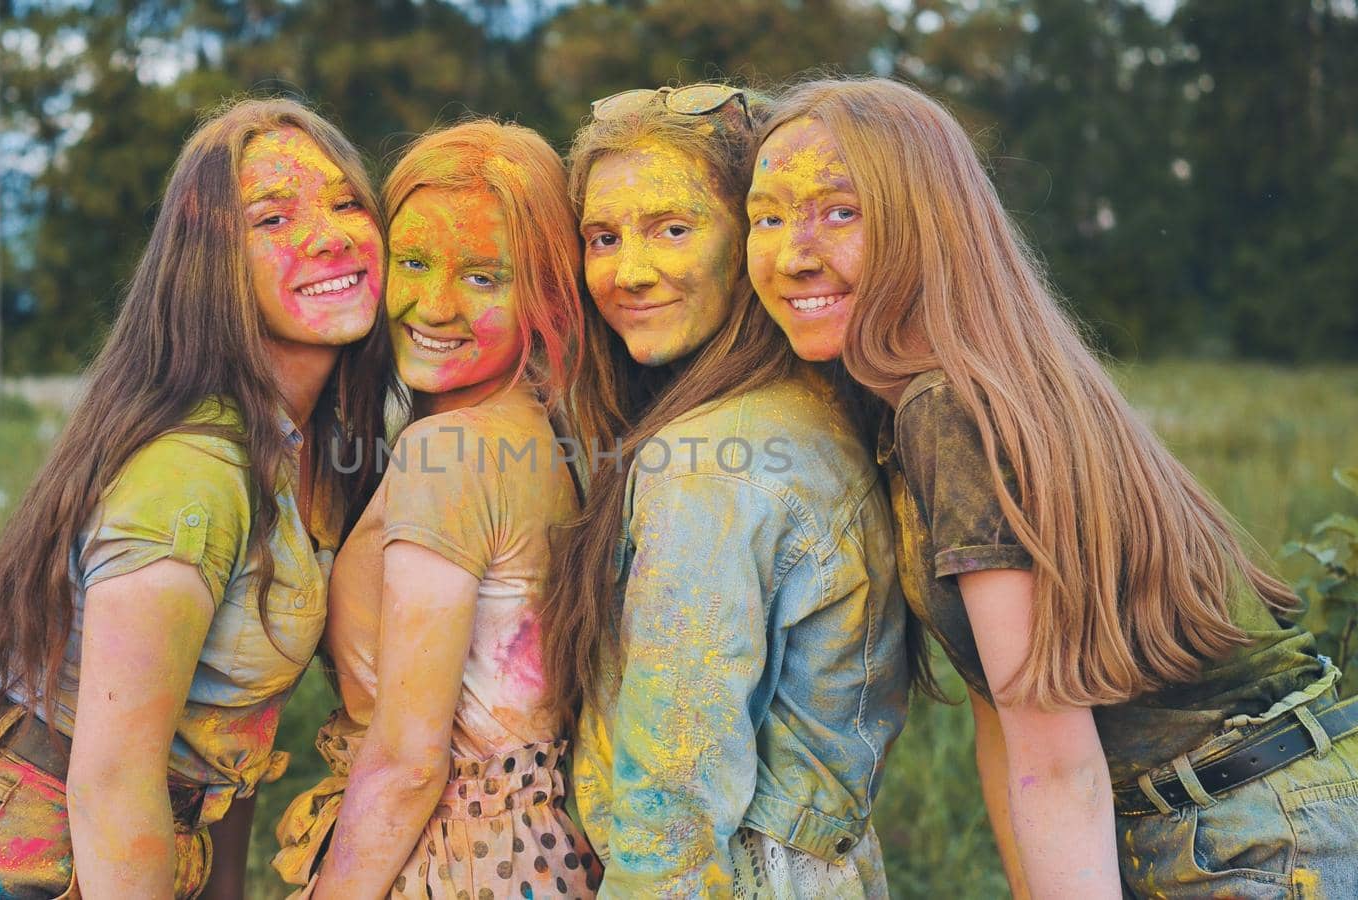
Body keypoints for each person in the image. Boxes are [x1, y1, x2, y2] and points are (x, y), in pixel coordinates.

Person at [746, 75, 1358, 898]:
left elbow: (1055, 756)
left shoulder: (949, 408)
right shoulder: (947, 392)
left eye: (841, 211)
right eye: (767, 216)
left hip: (1252, 832)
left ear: (927, 223)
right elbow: (1001, 719)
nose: (793, 253)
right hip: (1244, 810)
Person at [0, 96, 391, 899]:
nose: (328, 234)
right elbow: (113, 780)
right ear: (209, 266)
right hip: (17, 856)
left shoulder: (309, 453)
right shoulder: (193, 472)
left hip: (133, 845)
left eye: (346, 202)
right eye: (273, 219)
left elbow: (229, 750)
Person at [541, 83, 909, 898]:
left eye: (673, 229)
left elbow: (672, 813)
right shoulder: (822, 406)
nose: (628, 272)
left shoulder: (709, 464)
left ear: (747, 237)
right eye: (602, 237)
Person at [272, 119, 603, 899]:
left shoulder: (447, 451)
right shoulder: (546, 430)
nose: (436, 304)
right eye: (414, 262)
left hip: (451, 858)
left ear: (546, 294)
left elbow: (409, 763)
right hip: (541, 846)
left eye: (485, 277)